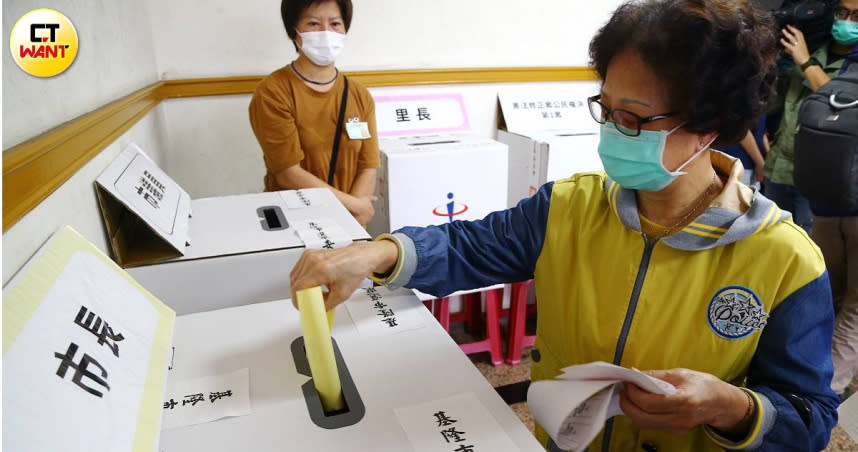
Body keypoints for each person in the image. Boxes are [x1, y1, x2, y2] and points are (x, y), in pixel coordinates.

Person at [291, 0, 839, 450]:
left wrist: (731, 407)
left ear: (708, 128)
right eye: (606, 108)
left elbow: (810, 419)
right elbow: (473, 246)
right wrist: (374, 254)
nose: (612, 133)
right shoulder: (571, 207)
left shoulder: (785, 261)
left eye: (634, 118)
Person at [249, 0, 379, 227]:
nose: (326, 32)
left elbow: (367, 164)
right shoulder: (273, 92)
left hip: (351, 223)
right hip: (295, 222)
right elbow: (288, 173)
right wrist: (357, 206)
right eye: (313, 23)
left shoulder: (360, 95)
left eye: (335, 23)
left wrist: (355, 221)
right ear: (294, 32)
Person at [763, 0, 858, 234]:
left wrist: (805, 63)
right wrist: (771, 66)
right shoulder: (811, 50)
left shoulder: (807, 56)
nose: (846, 21)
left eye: (856, 16)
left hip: (822, 176)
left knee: (811, 252)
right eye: (842, 13)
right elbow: (770, 106)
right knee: (771, 243)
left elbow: (840, 104)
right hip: (779, 168)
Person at [808, 0, 858, 401]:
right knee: (856, 309)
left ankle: (806, 367)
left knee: (831, 295)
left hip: (828, 202)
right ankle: (826, 390)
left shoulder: (847, 67)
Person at [715, 117, 768, 189]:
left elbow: (761, 130)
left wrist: (766, 160)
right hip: (736, 162)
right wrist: (760, 163)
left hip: (752, 163)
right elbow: (741, 129)